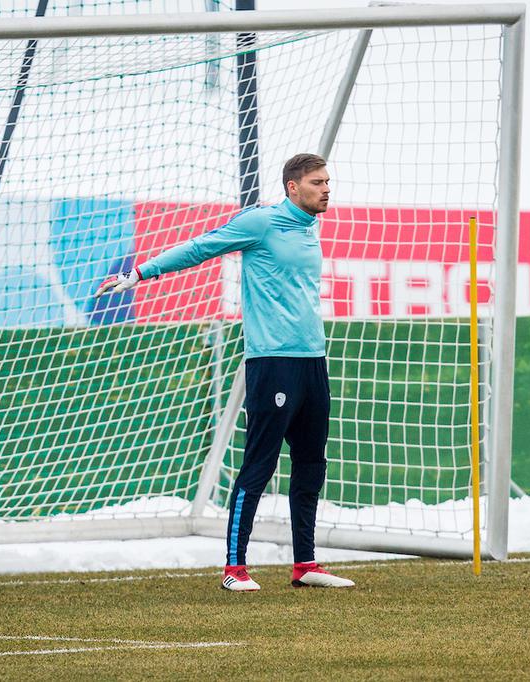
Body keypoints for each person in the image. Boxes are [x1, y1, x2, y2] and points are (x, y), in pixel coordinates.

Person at [96, 154, 353, 591]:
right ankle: (235, 569)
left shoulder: (311, 225)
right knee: (260, 463)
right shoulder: (261, 222)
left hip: (314, 360)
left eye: (328, 180)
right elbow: (201, 247)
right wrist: (140, 273)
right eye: (317, 181)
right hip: (272, 363)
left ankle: (305, 564)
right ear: (293, 186)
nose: (327, 188)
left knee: (311, 463)